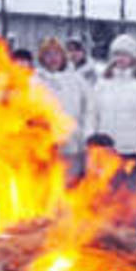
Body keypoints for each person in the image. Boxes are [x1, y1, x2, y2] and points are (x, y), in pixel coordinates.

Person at [90, 34, 136, 233]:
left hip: (132, 150)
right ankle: (110, 236)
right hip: (107, 152)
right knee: (108, 198)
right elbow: (92, 113)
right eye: (117, 55)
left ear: (133, 58)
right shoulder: (103, 83)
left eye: (125, 55)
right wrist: (93, 141)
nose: (120, 59)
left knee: (134, 199)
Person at [36, 36, 95, 173]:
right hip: (45, 148)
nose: (53, 58)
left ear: (63, 56)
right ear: (42, 57)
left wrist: (87, 135)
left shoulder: (77, 80)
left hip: (73, 147)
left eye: (56, 53)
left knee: (71, 189)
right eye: (48, 54)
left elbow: (89, 110)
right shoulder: (34, 81)